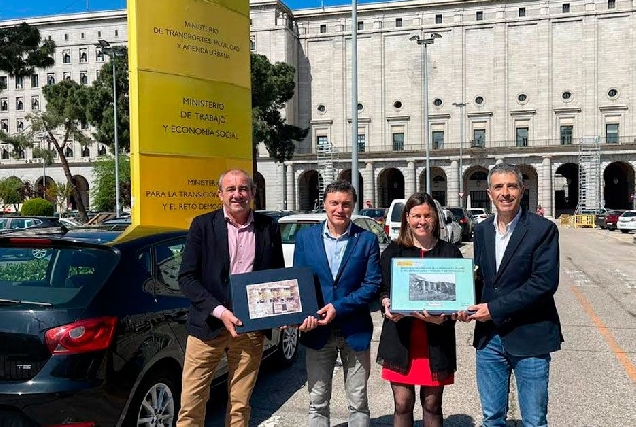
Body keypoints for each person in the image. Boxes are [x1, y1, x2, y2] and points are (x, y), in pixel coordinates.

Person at [177, 168, 285, 427]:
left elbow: (276, 276)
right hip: (208, 324)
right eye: (231, 189)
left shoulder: (268, 227)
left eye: (243, 189)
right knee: (191, 403)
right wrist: (219, 311)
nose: (238, 194)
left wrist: (284, 311)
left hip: (250, 327)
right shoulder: (202, 225)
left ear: (253, 193)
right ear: (220, 194)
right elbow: (187, 278)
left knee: (240, 404)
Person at [461, 163, 563, 427]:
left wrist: (494, 309)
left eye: (511, 186)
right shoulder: (482, 230)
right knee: (492, 418)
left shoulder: (543, 229)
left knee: (534, 420)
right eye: (498, 187)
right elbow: (482, 278)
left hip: (530, 337)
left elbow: (543, 283)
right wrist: (461, 304)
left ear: (522, 189)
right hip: (489, 340)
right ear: (490, 192)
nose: (505, 193)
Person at [293, 180, 382, 427]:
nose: (339, 209)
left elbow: (372, 285)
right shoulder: (305, 238)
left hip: (355, 330)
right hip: (318, 331)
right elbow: (300, 282)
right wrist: (302, 315)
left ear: (353, 206)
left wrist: (338, 307)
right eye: (334, 203)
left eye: (345, 204)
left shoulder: (366, 240)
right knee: (317, 402)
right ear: (325, 205)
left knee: (358, 401)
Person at [376, 192, 462, 427]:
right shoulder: (394, 251)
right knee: (402, 404)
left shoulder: (449, 252)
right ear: (407, 218)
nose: (421, 221)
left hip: (436, 341)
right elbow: (382, 288)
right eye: (416, 216)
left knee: (432, 405)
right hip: (401, 339)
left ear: (435, 218)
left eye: (427, 215)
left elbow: (460, 301)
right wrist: (386, 303)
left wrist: (443, 319)